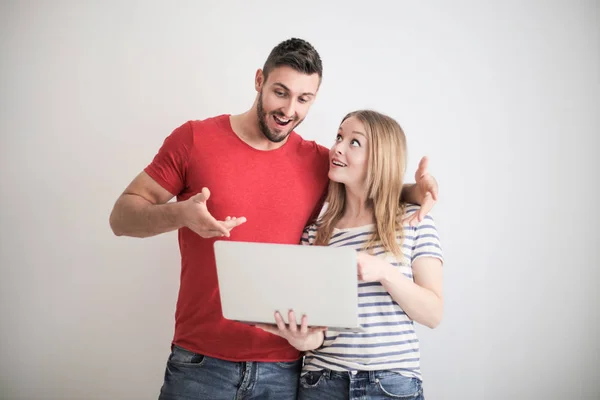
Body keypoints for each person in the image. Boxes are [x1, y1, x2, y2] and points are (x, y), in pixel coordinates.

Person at [109, 38, 439, 400]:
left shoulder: (319, 162)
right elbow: (121, 217)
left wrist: (416, 192)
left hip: (286, 370)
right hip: (200, 364)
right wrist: (180, 214)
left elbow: (370, 179)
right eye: (280, 92)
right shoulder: (194, 139)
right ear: (258, 81)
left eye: (303, 99)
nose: (288, 109)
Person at [257, 110, 443, 400]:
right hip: (322, 383)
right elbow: (318, 333)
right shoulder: (315, 234)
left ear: (380, 158)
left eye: (354, 142)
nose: (337, 148)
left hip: (390, 385)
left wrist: (384, 273)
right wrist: (303, 338)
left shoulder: (414, 220)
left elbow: (433, 314)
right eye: (339, 137)